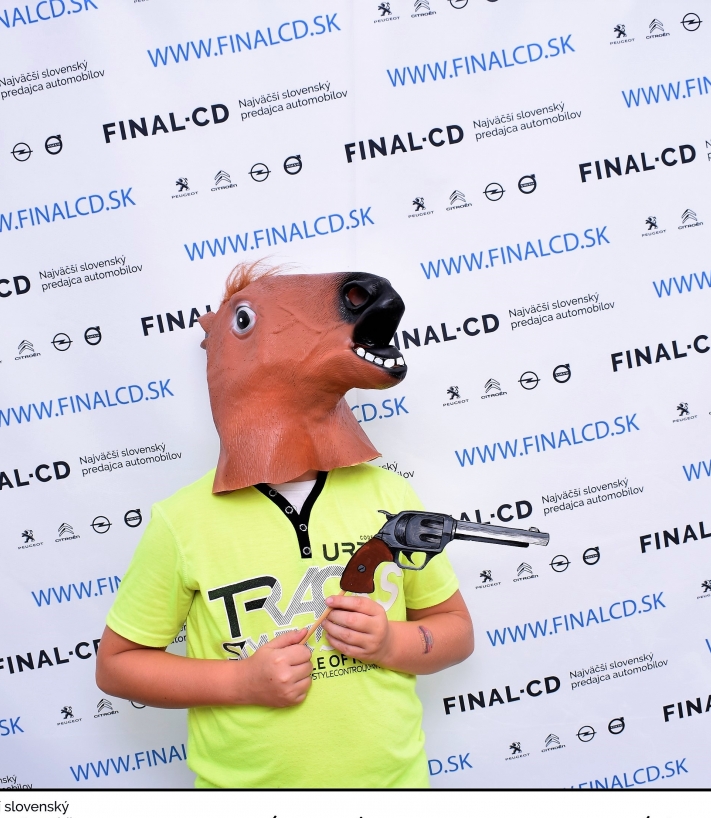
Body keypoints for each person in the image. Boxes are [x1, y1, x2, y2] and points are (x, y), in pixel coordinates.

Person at [96, 262, 474, 787]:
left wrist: (391, 644)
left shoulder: (389, 496)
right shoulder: (182, 521)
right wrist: (242, 682)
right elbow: (117, 666)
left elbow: (456, 631)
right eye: (245, 321)